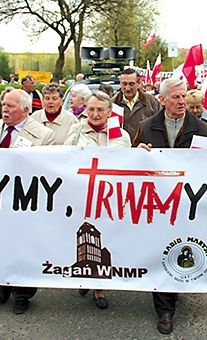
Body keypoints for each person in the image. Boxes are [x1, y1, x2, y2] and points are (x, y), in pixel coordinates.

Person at [132, 78, 207, 335]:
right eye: (176, 97)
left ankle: (176, 287)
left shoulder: (201, 128)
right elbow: (132, 160)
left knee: (182, 247)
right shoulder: (146, 127)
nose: (181, 102)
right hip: (157, 201)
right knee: (160, 249)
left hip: (188, 200)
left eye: (184, 97)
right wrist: (139, 152)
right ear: (163, 99)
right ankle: (164, 310)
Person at [0, 89, 55, 314]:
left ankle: (22, 294)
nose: (5, 109)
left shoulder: (44, 135)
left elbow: (49, 169)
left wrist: (24, 159)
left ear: (25, 110)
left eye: (11, 106)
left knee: (24, 247)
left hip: (25, 201)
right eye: (4, 104)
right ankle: (2, 284)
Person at [64, 91, 129, 309]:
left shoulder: (120, 134)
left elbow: (126, 163)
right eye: (90, 109)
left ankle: (99, 288)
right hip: (81, 192)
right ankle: (84, 276)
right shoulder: (77, 130)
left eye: (100, 109)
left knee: (103, 239)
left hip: (108, 197)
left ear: (109, 112)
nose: (95, 114)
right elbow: (64, 156)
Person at [112, 68, 161, 139]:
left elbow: (159, 126)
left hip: (144, 148)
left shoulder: (152, 102)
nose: (127, 88)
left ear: (138, 84)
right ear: (120, 83)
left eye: (131, 84)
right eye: (124, 84)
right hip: (120, 148)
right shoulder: (112, 104)